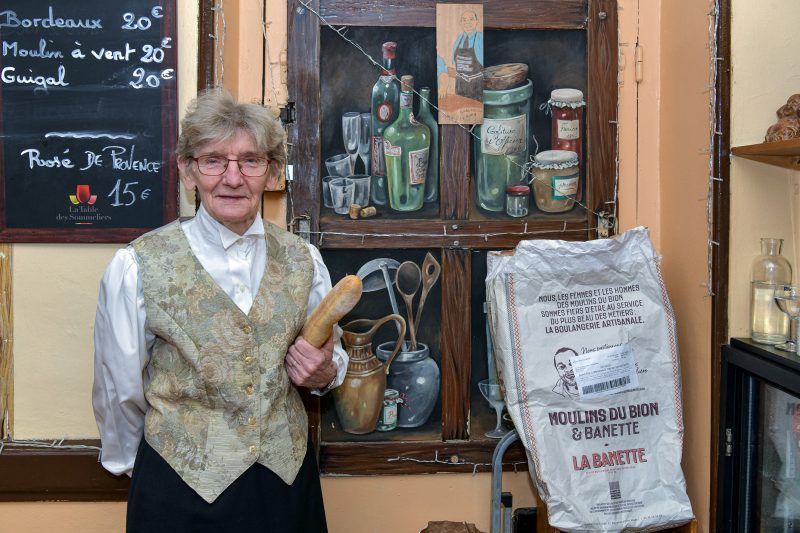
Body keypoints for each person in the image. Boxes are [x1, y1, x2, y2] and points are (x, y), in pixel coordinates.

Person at [92, 89, 347, 532]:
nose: (233, 178)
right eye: (213, 160)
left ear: (269, 172)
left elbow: (332, 357)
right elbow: (119, 389)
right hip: (179, 494)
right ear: (187, 170)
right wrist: (155, 470)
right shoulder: (138, 265)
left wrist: (325, 373)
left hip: (285, 489)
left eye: (250, 161)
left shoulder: (304, 259)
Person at [438, 10, 484, 100]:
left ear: (476, 21)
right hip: (460, 84)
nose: (467, 22)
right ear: (461, 23)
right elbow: (454, 61)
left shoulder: (480, 38)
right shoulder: (459, 38)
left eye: (471, 19)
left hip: (476, 85)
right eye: (464, 20)